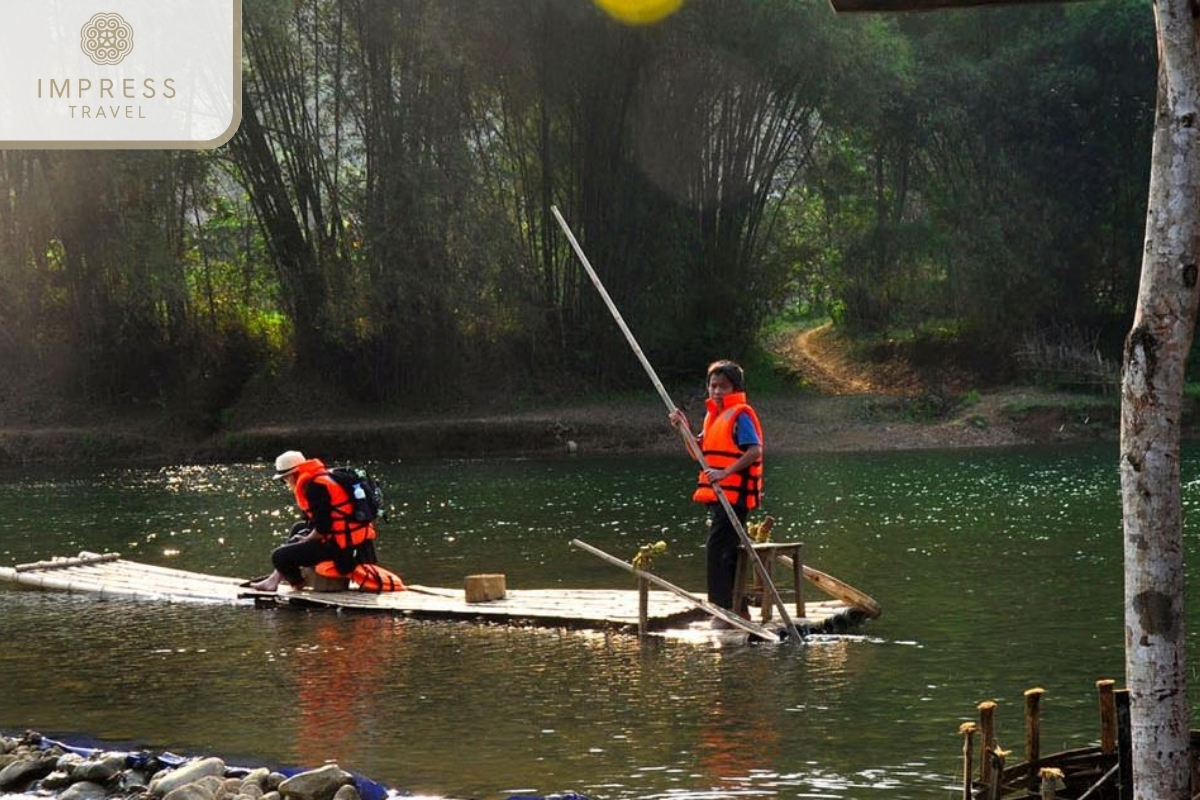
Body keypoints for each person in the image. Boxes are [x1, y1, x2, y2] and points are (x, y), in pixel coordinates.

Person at [668, 360, 764, 619]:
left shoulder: (740, 415)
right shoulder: (713, 416)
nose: (717, 391)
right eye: (713, 386)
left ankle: (724, 610)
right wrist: (683, 429)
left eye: (724, 386)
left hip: (733, 498)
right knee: (723, 552)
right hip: (718, 499)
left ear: (735, 388)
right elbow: (697, 454)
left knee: (720, 552)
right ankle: (735, 610)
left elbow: (754, 450)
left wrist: (725, 472)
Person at [248, 450, 378, 592]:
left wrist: (307, 539)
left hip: (342, 548)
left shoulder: (314, 487)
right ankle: (274, 579)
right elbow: (320, 521)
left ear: (293, 474)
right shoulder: (322, 477)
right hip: (354, 541)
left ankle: (297, 582)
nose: (285, 482)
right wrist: (304, 536)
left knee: (278, 557)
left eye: (284, 478)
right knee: (299, 528)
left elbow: (323, 528)